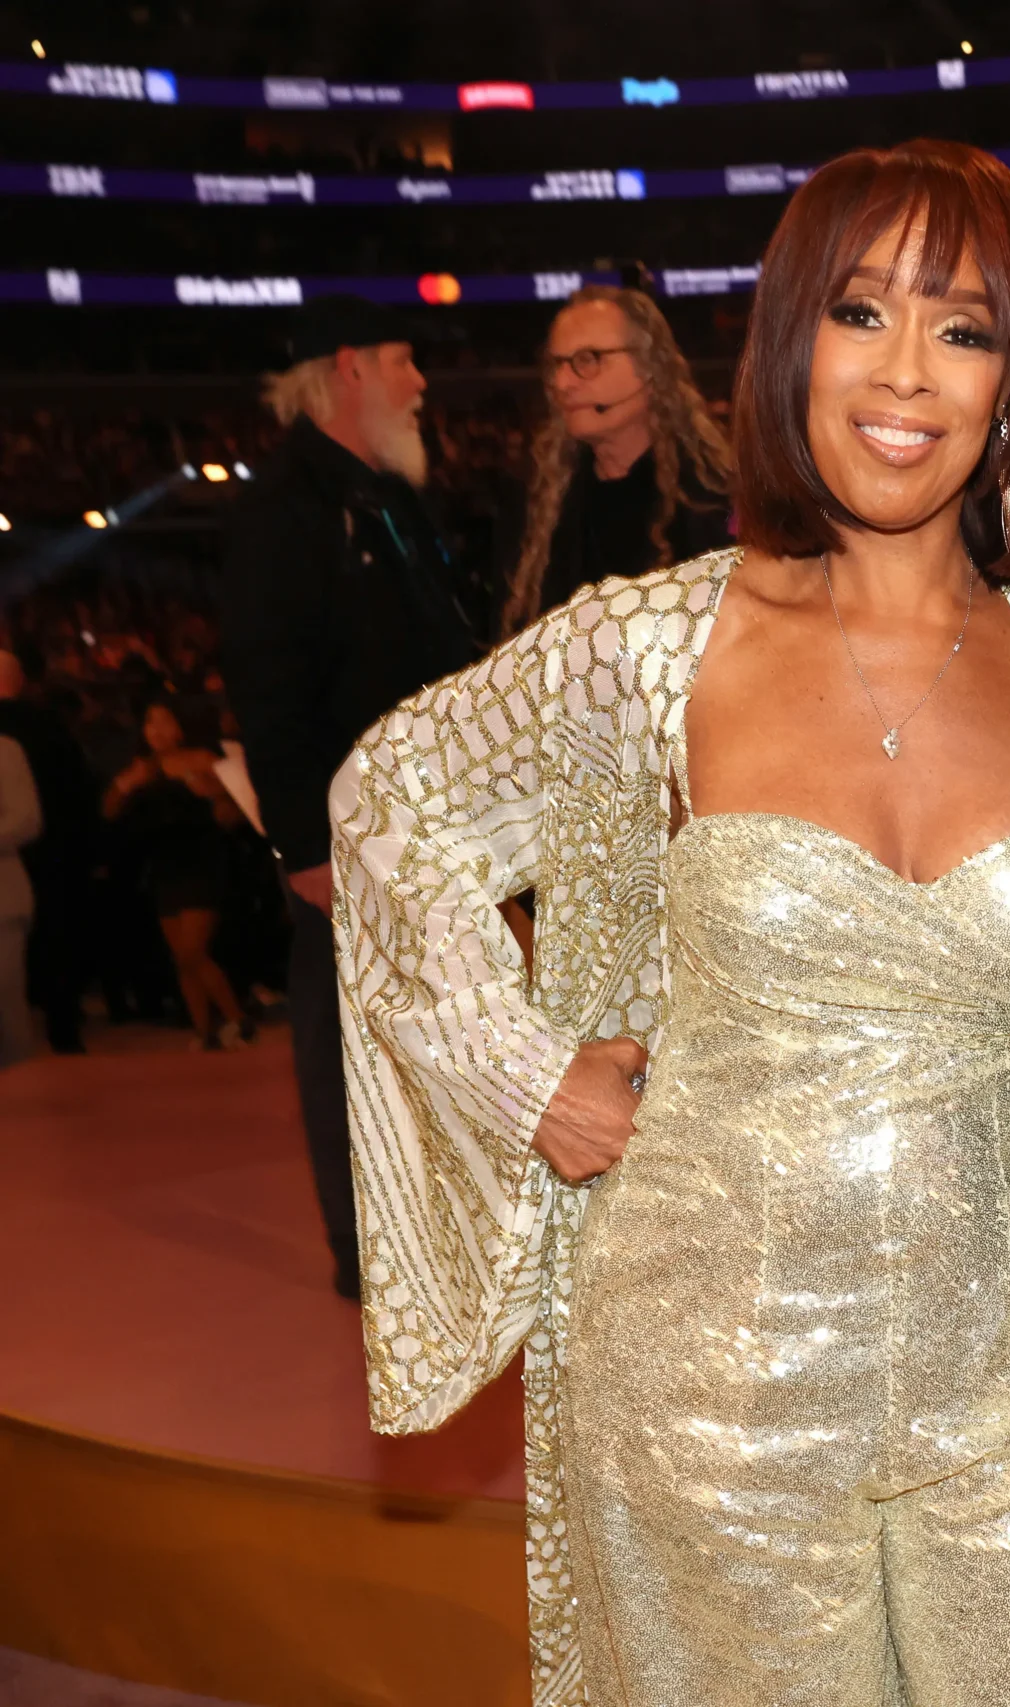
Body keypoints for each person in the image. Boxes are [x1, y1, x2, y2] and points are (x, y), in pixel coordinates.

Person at [331, 140, 1010, 1707]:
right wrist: (522, 1070)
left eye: (964, 329)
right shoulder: (646, 644)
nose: (908, 373)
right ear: (791, 347)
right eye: (861, 314)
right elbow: (385, 803)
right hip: (704, 1410)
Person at [222, 294, 484, 1297]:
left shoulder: (390, 495)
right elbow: (268, 687)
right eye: (403, 359)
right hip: (348, 846)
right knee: (349, 1052)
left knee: (437, 1041)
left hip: (429, 838)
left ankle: (442, 1233)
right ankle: (369, 1256)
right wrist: (304, 853)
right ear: (349, 371)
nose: (421, 383)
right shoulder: (284, 506)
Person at [499, 285, 735, 631]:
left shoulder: (713, 499)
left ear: (649, 368)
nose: (563, 382)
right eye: (557, 364)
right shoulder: (536, 502)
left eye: (588, 359)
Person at [102, 701, 252, 1050]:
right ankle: (205, 1032)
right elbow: (109, 810)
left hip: (201, 861)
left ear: (180, 727)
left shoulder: (201, 759)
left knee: (192, 951)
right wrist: (126, 786)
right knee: (181, 957)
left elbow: (236, 804)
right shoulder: (142, 768)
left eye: (164, 721)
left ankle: (239, 1020)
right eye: (149, 723)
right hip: (163, 865)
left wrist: (209, 791)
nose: (156, 730)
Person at [0, 650, 98, 1053]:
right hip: (54, 857)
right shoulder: (47, 727)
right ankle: (63, 1026)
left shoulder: (11, 745)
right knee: (53, 946)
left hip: (21, 863)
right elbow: (78, 791)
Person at [0, 731, 40, 1066]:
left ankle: (25, 1098)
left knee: (6, 1008)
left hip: (2, 900)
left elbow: (27, 819)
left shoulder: (4, 751)